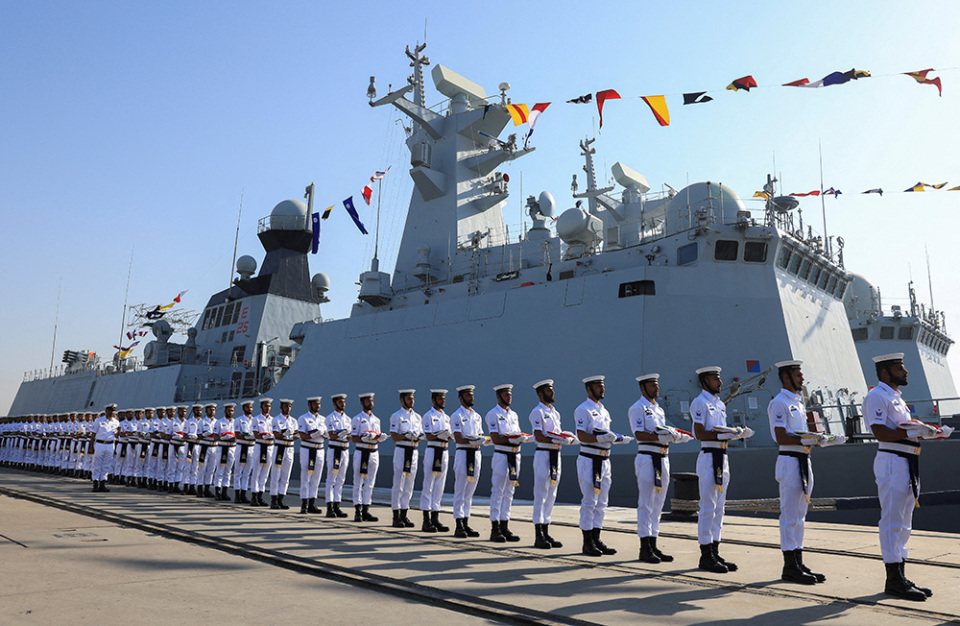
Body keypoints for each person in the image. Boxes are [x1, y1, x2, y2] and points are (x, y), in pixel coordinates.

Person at [863, 353, 951, 601]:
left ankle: (900, 576)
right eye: (900, 368)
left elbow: (903, 429)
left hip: (907, 460)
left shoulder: (896, 398)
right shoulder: (877, 396)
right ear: (885, 373)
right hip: (893, 461)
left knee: (904, 522)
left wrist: (927, 432)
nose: (906, 372)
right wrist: (915, 432)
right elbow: (880, 432)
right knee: (892, 520)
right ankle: (893, 580)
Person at [692, 366, 753, 573]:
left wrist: (736, 433)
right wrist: (725, 434)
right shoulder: (699, 403)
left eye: (719, 379)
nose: (719, 382)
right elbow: (699, 433)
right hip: (709, 457)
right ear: (704, 382)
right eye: (715, 379)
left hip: (723, 457)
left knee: (720, 508)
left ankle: (715, 550)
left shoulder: (719, 404)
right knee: (708, 507)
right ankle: (705, 555)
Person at [630, 373, 691, 564]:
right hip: (648, 458)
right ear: (643, 388)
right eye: (652, 385)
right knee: (646, 503)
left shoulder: (659, 410)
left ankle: (654, 543)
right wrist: (659, 437)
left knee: (658, 504)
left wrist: (675, 437)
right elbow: (639, 434)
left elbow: (664, 432)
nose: (656, 388)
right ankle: (644, 547)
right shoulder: (637, 408)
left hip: (663, 457)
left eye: (657, 385)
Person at [574, 375, 631, 556]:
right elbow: (582, 436)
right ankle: (587, 542)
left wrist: (617, 439)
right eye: (598, 386)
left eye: (602, 386)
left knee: (602, 502)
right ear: (589, 389)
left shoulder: (604, 411)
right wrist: (600, 438)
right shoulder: (583, 409)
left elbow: (606, 434)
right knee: (589, 501)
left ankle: (596, 538)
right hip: (590, 459)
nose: (602, 389)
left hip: (605, 459)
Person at [528, 379, 571, 549]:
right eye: (548, 390)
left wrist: (567, 438)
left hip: (556, 454)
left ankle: (546, 530)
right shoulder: (537, 412)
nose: (552, 393)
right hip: (544, 454)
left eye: (552, 390)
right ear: (540, 394)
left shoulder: (555, 413)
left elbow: (557, 433)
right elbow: (539, 435)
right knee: (541, 493)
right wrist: (557, 439)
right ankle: (538, 534)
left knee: (552, 493)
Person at [451, 385, 485, 538]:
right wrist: (473, 440)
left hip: (476, 453)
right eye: (468, 395)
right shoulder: (456, 416)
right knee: (460, 489)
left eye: (472, 395)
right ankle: (458, 523)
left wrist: (483, 440)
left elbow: (480, 434)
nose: (471, 398)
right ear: (461, 398)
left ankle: (466, 521)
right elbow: (458, 438)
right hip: (463, 453)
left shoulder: (477, 416)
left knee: (470, 491)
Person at [420, 389, 453, 533]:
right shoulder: (428, 416)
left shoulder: (447, 417)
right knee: (429, 484)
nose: (443, 401)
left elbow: (450, 436)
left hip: (444, 450)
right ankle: (426, 519)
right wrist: (441, 434)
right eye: (440, 399)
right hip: (433, 450)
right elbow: (428, 435)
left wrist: (449, 436)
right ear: (433, 400)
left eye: (444, 399)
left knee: (439, 486)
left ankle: (435, 517)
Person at [389, 390, 423, 528]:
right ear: (402, 400)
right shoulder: (396, 416)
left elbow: (421, 435)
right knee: (399, 483)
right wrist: (405, 436)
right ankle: (396, 516)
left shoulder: (417, 417)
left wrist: (418, 437)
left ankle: (404, 513)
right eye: (408, 399)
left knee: (409, 484)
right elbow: (394, 436)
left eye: (412, 398)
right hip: (402, 450)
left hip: (413, 451)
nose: (411, 401)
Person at [351, 393, 387, 522]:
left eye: (371, 401)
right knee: (358, 482)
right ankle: (358, 510)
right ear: (362, 403)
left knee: (370, 483)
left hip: (373, 452)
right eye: (368, 401)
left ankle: (366, 509)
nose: (370, 403)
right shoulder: (357, 419)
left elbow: (377, 437)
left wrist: (380, 438)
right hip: (362, 452)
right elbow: (354, 438)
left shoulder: (377, 420)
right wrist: (364, 438)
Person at [297, 396, 328, 514]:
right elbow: (302, 436)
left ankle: (312, 503)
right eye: (315, 404)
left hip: (319, 449)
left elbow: (326, 436)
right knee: (306, 477)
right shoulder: (303, 418)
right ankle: (304, 504)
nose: (317, 406)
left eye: (319, 404)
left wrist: (324, 434)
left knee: (316, 478)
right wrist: (314, 435)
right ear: (309, 405)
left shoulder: (323, 419)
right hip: (307, 449)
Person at [324, 393, 351, 518]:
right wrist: (341, 434)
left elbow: (351, 435)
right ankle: (329, 507)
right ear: (334, 404)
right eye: (340, 402)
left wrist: (348, 436)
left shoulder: (348, 419)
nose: (343, 404)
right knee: (331, 479)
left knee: (341, 479)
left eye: (344, 402)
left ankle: (337, 505)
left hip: (345, 449)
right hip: (335, 450)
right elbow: (331, 435)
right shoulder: (330, 418)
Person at [270, 399, 298, 509]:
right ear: (281, 407)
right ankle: (273, 500)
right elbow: (276, 435)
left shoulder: (293, 421)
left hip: (289, 448)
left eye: (289, 406)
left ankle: (281, 499)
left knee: (286, 476)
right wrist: (285, 434)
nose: (288, 408)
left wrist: (294, 436)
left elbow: (296, 434)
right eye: (286, 406)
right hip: (280, 448)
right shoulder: (276, 420)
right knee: (276, 475)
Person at [250, 398, 275, 507]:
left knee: (265, 473)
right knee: (257, 472)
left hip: (270, 447)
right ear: (261, 407)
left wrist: (272, 436)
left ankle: (260, 496)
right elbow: (255, 434)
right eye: (265, 406)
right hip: (260, 446)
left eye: (269, 406)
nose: (267, 408)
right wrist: (263, 436)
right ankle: (254, 496)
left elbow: (276, 433)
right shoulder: (256, 419)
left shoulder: (273, 420)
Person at [89, 403, 120, 492]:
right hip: (100, 444)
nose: (112, 412)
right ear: (106, 411)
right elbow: (93, 434)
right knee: (97, 464)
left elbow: (116, 435)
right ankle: (95, 483)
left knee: (106, 465)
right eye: (110, 410)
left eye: (113, 411)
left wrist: (118, 432)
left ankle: (102, 483)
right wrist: (91, 446)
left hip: (110, 444)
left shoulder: (116, 422)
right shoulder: (98, 420)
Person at [233, 400, 256, 503]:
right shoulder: (238, 420)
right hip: (241, 447)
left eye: (251, 407)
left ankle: (243, 494)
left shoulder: (255, 420)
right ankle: (237, 495)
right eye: (247, 407)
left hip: (251, 447)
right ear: (243, 409)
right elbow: (237, 434)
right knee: (238, 472)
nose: (249, 409)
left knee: (247, 473)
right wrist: (246, 436)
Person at [214, 403, 237, 500]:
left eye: (232, 410)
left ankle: (225, 492)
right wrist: (222, 438)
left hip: (232, 448)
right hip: (222, 447)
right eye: (229, 410)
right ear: (225, 411)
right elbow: (215, 436)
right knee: (220, 470)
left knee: (228, 471)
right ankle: (217, 491)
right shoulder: (219, 422)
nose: (230, 412)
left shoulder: (236, 422)